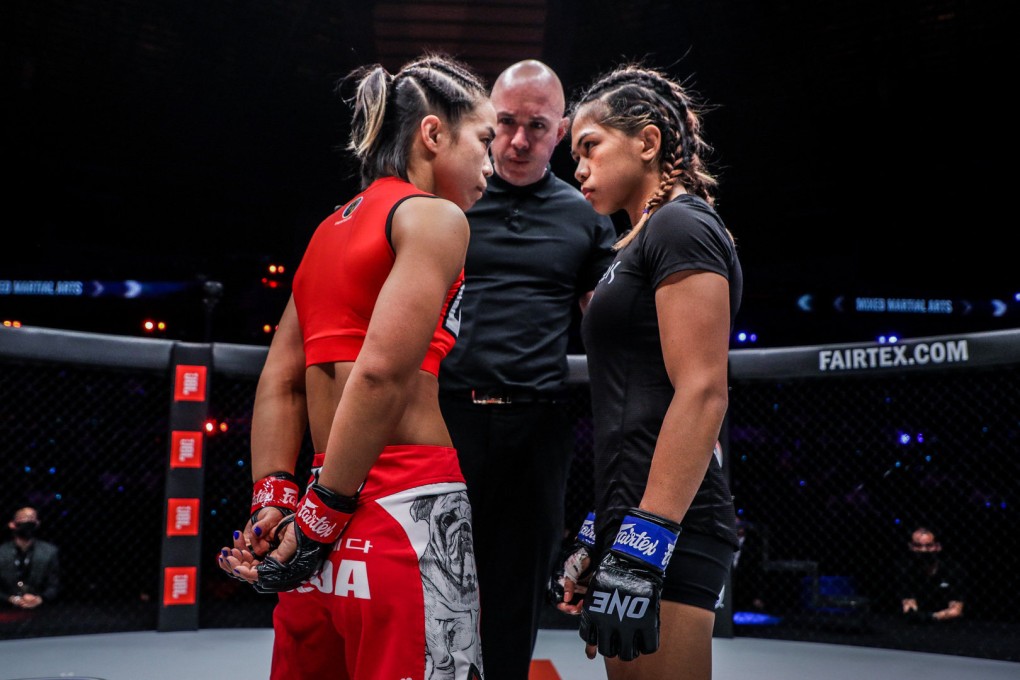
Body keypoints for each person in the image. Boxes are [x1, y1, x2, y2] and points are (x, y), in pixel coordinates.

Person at [216, 52, 496, 680]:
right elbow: (380, 375)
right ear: (432, 133)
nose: (491, 164)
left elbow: (280, 381)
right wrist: (323, 515)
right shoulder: (434, 216)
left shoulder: (325, 229)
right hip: (401, 502)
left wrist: (276, 500)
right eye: (483, 139)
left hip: (318, 498)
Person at [551, 62, 742, 680]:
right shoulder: (638, 239)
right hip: (634, 515)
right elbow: (633, 399)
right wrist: (599, 528)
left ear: (648, 142)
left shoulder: (682, 225)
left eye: (590, 147)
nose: (577, 167)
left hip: (670, 524)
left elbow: (703, 390)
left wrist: (645, 540)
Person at [436, 58, 617, 680]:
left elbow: (607, 330)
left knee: (515, 597)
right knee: (432, 585)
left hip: (536, 429)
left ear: (560, 131)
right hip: (444, 419)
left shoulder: (587, 215)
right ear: (487, 118)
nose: (517, 140)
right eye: (506, 122)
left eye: (536, 127)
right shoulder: (446, 201)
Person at [897, 526, 965, 623]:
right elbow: (909, 608)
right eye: (918, 546)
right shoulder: (905, 569)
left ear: (938, 546)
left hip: (950, 627)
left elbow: (956, 610)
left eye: (929, 546)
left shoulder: (953, 569)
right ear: (911, 547)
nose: (923, 550)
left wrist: (931, 617)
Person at [0, 506, 60, 609]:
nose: (28, 521)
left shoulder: (50, 552)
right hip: (5, 609)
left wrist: (39, 599)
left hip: (42, 611)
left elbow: (54, 585)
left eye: (32, 518)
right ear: (12, 524)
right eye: (23, 518)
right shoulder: (1, 552)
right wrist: (12, 599)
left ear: (37, 523)